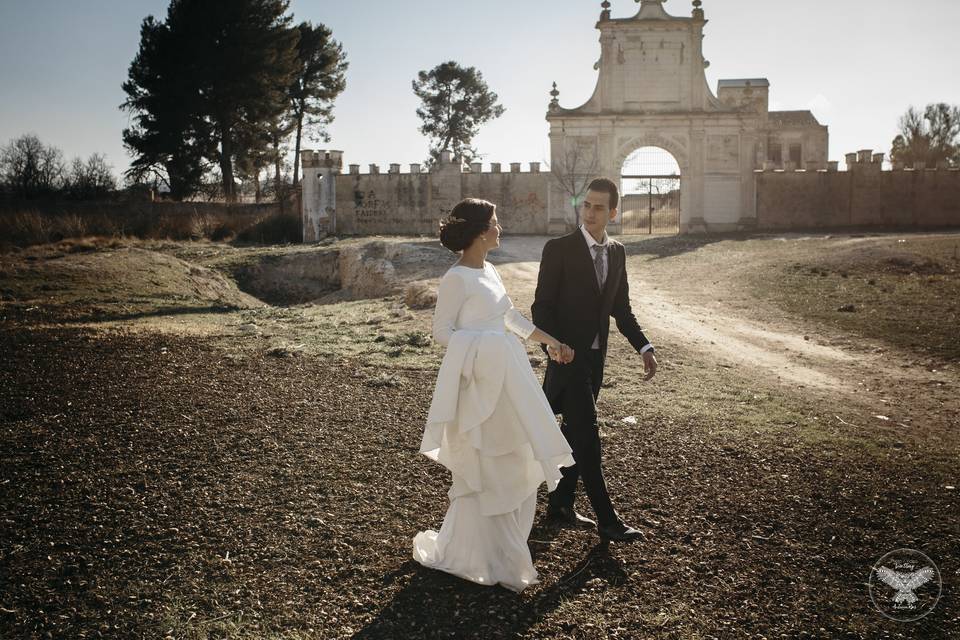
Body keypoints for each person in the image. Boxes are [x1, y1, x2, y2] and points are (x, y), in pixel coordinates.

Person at [413, 198, 576, 592]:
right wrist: (483, 348)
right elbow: (442, 332)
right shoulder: (456, 278)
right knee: (486, 464)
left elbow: (510, 318)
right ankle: (478, 554)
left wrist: (551, 342)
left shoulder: (489, 270)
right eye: (496, 223)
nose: (500, 229)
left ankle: (505, 550)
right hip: (481, 382)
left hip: (509, 377)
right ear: (481, 231)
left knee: (518, 454)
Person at [532, 177, 658, 542]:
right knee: (587, 435)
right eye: (586, 205)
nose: (590, 212)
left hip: (596, 359)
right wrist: (553, 347)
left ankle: (560, 504)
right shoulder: (558, 249)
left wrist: (644, 346)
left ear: (613, 213)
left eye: (599, 207)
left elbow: (621, 309)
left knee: (574, 433)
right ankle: (608, 519)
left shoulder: (617, 253)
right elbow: (542, 306)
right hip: (567, 360)